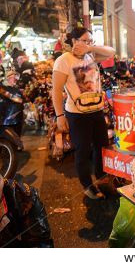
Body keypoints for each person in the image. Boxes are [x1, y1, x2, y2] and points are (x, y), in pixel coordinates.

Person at [52, 27, 115, 200]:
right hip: (77, 115)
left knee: (102, 147)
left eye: (90, 41)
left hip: (96, 110)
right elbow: (56, 91)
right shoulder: (63, 60)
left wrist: (91, 48)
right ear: (74, 41)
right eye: (85, 41)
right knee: (83, 150)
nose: (88, 44)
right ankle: (88, 186)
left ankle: (102, 180)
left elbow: (111, 52)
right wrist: (59, 116)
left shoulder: (91, 56)